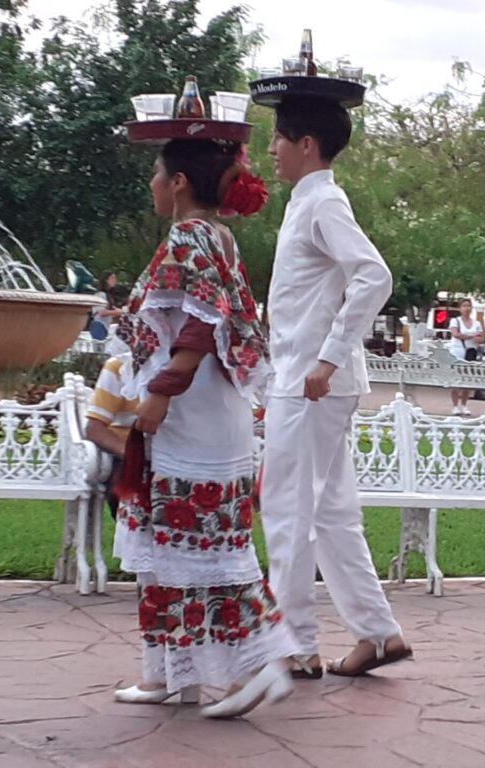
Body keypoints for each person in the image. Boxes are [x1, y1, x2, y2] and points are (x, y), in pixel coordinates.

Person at [111, 133, 293, 719]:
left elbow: (198, 319)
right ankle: (170, 674)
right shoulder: (218, 236)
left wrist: (162, 392)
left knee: (209, 551)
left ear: (180, 182)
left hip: (195, 415)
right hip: (211, 413)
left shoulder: (190, 235)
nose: (151, 186)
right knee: (173, 547)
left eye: (157, 175)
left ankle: (263, 666)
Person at [254, 92, 413, 680]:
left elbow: (374, 274)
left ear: (306, 144)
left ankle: (294, 642)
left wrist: (326, 357)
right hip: (312, 379)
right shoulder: (309, 203)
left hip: (311, 382)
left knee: (289, 511)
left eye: (277, 138)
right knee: (329, 514)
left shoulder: (323, 203)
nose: (269, 149)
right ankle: (377, 632)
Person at [84, 354, 139, 520]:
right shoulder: (119, 367)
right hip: (128, 452)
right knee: (125, 489)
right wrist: (134, 455)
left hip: (183, 453)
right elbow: (95, 428)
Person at [448, 297, 485, 415]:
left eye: (468, 306)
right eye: (464, 306)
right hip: (457, 351)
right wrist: (472, 336)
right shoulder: (455, 321)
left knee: (468, 379)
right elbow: (456, 334)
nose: (466, 308)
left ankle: (464, 404)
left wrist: (473, 336)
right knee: (455, 379)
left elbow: (482, 338)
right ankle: (455, 405)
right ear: (460, 308)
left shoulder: (477, 323)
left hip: (471, 352)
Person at [90, 271, 125, 339]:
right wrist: (118, 312)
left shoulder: (108, 295)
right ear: (106, 280)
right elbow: (102, 312)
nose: (115, 280)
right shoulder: (100, 294)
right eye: (112, 278)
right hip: (99, 326)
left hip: (104, 326)